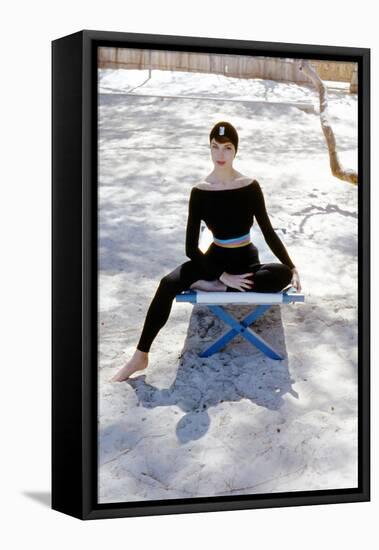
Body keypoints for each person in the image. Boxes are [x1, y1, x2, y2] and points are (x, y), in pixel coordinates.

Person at [111, 121, 302, 382]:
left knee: (280, 276)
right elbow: (190, 248)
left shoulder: (250, 186)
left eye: (227, 148)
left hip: (246, 259)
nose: (220, 154)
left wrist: (291, 266)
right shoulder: (200, 191)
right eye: (215, 147)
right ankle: (140, 355)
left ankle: (214, 288)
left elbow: (268, 231)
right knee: (167, 283)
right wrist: (222, 275)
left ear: (235, 151)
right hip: (215, 259)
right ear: (209, 149)